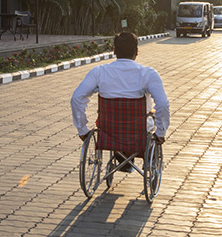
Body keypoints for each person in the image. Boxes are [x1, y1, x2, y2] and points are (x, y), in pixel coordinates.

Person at [70, 32, 169, 171]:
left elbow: (76, 98)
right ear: (137, 52)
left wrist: (82, 129)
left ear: (114, 51)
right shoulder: (148, 74)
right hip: (138, 131)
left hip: (108, 130)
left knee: (118, 121)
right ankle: (135, 161)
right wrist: (161, 131)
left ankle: (123, 161)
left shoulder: (99, 72)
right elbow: (163, 104)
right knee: (148, 119)